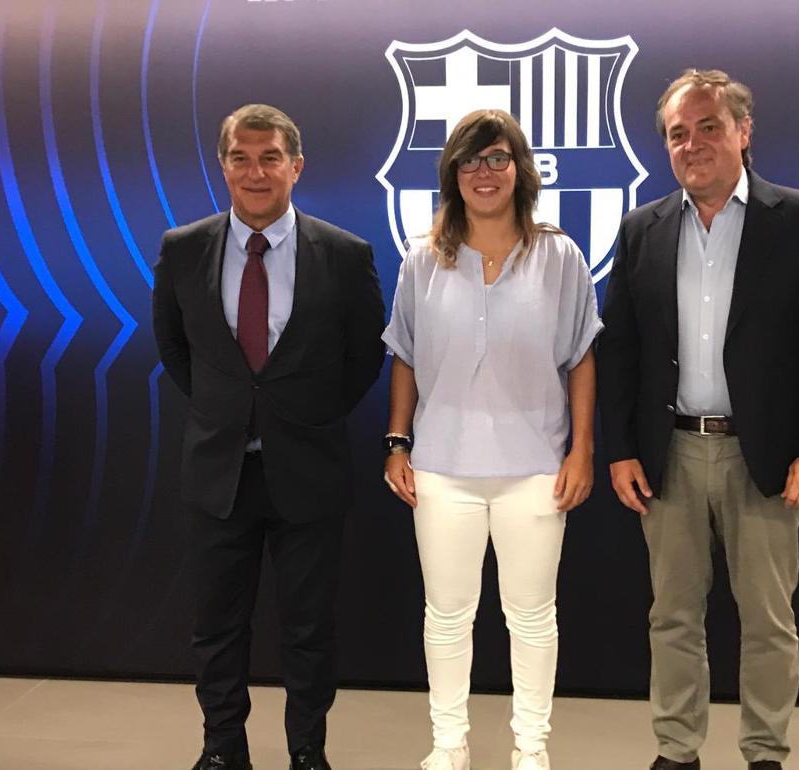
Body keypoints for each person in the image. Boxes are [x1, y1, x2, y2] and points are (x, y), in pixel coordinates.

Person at [597, 70, 799, 770]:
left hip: (764, 456)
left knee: (769, 621)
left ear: (745, 132)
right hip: (669, 453)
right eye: (678, 134)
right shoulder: (641, 229)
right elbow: (619, 350)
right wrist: (619, 448)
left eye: (709, 126)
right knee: (671, 617)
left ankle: (765, 752)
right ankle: (677, 752)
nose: (692, 144)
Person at [152, 103, 385, 770]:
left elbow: (362, 358)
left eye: (270, 157)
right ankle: (223, 748)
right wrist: (230, 411)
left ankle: (308, 752)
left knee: (309, 630)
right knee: (217, 629)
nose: (255, 172)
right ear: (222, 165)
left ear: (296, 166)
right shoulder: (183, 248)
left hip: (308, 472)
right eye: (240, 158)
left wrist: (301, 416)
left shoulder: (345, 255)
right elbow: (175, 348)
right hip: (217, 473)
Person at [381, 108, 602, 770]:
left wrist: (582, 449)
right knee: (447, 617)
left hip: (535, 468)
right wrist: (397, 442)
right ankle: (449, 747)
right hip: (442, 468)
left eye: (497, 158)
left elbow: (582, 358)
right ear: (452, 173)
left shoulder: (558, 255)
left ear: (520, 170)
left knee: (532, 619)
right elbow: (406, 358)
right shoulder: (423, 259)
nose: (484, 173)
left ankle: (529, 750)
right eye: (471, 161)